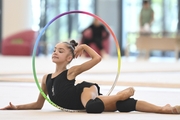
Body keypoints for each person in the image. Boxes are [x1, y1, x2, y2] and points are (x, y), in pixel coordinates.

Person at [0, 40, 180, 114]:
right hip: (81, 102)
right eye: (55, 50)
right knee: (124, 105)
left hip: (84, 92)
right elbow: (38, 105)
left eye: (60, 51)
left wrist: (84, 46)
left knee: (93, 107)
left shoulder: (70, 72)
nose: (55, 52)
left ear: (69, 58)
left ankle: (119, 94)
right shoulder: (46, 79)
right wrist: (16, 107)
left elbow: (97, 58)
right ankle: (163, 109)